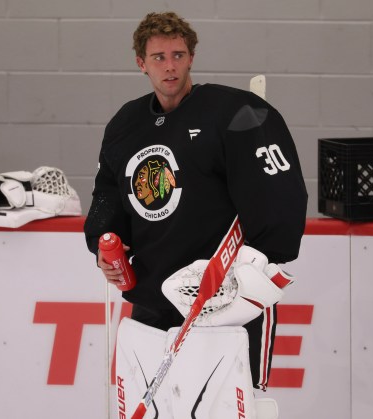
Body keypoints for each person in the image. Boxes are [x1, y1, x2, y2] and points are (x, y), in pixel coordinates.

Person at [83, 10, 308, 395]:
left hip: (225, 300)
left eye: (178, 55)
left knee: (232, 407)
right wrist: (105, 241)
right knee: (158, 407)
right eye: (158, 58)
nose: (170, 67)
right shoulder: (125, 125)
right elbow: (108, 196)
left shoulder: (236, 113)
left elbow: (279, 198)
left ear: (191, 58)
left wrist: (257, 265)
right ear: (141, 63)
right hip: (153, 298)